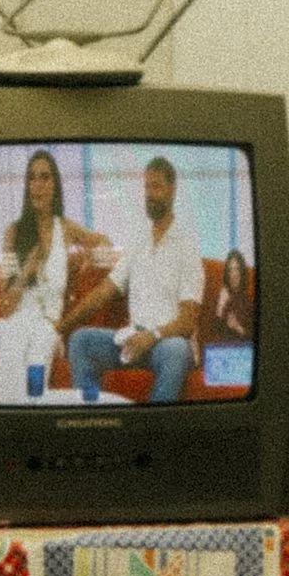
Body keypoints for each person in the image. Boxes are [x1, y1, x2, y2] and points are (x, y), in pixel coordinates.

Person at [66, 155, 202, 405]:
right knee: (80, 341)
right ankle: (94, 419)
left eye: (156, 186)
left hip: (165, 344)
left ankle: (149, 428)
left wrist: (151, 337)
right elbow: (104, 292)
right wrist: (62, 325)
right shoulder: (138, 241)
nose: (149, 194)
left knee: (177, 350)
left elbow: (187, 321)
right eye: (146, 187)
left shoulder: (187, 247)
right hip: (132, 341)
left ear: (172, 190)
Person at [0, 150, 108, 395]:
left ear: (55, 184)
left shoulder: (66, 228)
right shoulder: (12, 233)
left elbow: (104, 242)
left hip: (47, 327)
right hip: (15, 325)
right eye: (32, 178)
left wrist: (90, 254)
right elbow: (6, 307)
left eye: (45, 177)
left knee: (41, 341)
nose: (38, 185)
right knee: (15, 339)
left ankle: (30, 412)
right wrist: (25, 273)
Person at [208, 245, 254, 346]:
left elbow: (255, 337)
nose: (233, 274)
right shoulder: (221, 297)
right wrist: (220, 306)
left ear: (242, 272)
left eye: (236, 269)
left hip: (242, 349)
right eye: (230, 270)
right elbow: (212, 334)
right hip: (223, 349)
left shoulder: (249, 303)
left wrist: (237, 327)